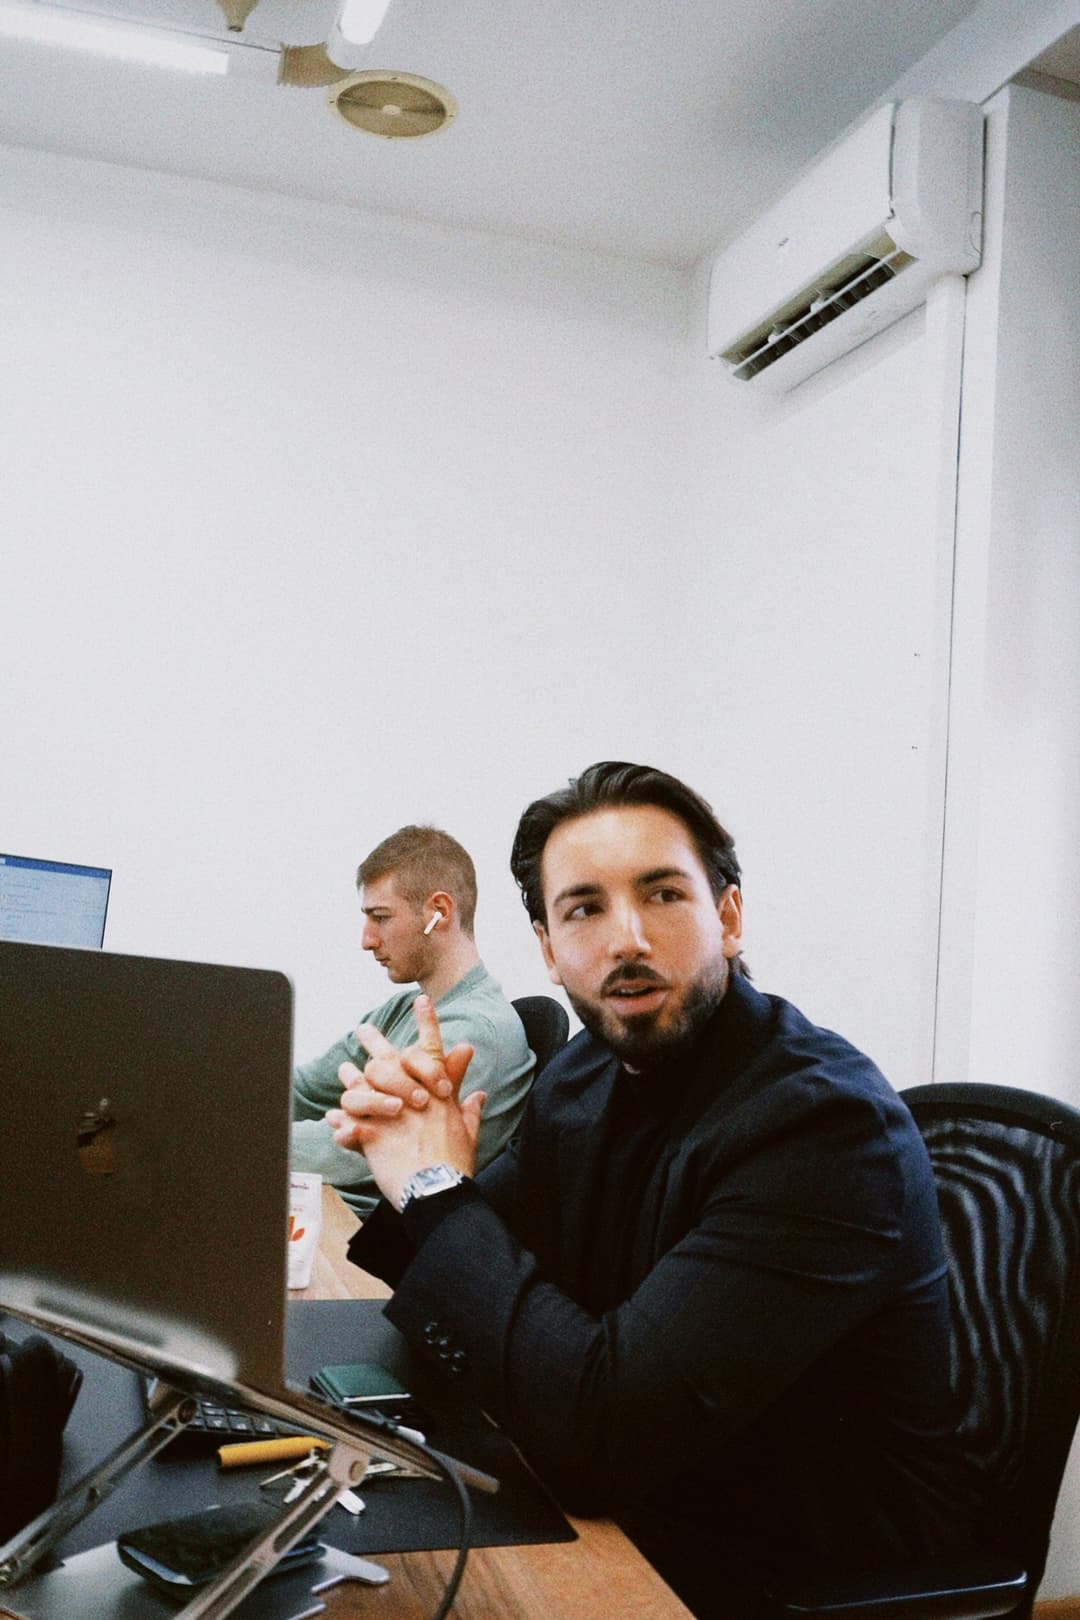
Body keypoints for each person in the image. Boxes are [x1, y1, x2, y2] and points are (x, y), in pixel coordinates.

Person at [328, 765, 980, 1617]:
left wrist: (436, 1187)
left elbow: (600, 1431)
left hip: (795, 1566)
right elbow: (478, 1281)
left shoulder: (823, 1128)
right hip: (652, 1499)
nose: (626, 937)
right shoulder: (590, 1073)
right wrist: (419, 1156)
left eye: (664, 894)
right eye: (585, 908)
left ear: (729, 919)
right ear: (550, 949)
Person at [291, 824, 534, 1216]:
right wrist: (224, 1107)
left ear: (438, 913)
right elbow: (307, 1090)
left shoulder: (477, 1033)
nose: (367, 939)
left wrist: (228, 1136)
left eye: (381, 917)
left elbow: (364, 1143)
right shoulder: (404, 1008)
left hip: (374, 1249)